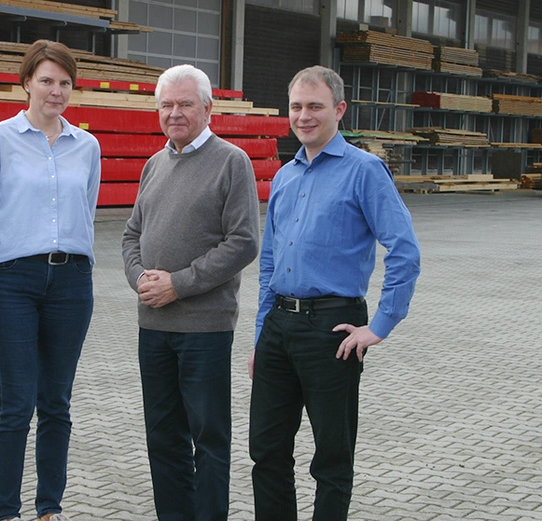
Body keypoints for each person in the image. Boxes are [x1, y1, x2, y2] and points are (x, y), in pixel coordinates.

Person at [248, 65, 421, 521]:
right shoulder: (284, 176)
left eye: (315, 107)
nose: (304, 116)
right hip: (278, 327)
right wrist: (261, 334)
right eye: (297, 107)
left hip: (333, 330)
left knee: (331, 459)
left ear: (339, 110)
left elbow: (404, 249)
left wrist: (379, 326)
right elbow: (269, 262)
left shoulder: (365, 171)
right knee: (266, 452)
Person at [0, 39, 101, 521]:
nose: (56, 90)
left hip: (71, 284)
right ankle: (7, 511)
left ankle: (50, 509)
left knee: (57, 403)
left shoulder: (87, 146)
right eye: (47, 80)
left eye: (65, 83)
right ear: (26, 83)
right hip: (11, 283)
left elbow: (85, 211)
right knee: (16, 403)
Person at [121, 64, 260, 521]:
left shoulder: (231, 161)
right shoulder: (154, 165)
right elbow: (129, 236)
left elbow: (243, 243)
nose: (174, 112)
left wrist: (178, 285)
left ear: (207, 108)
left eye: (185, 104)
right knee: (163, 438)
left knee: (209, 440)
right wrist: (141, 278)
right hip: (154, 327)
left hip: (205, 329)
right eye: (167, 104)